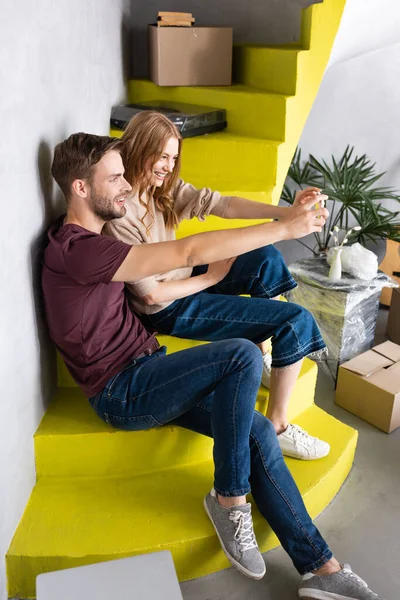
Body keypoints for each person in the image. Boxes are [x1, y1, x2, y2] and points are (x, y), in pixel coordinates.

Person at [41, 132, 382, 600]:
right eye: (116, 178)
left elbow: (189, 242)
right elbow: (186, 253)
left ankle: (321, 568)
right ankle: (228, 499)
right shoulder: (79, 250)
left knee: (259, 431)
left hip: (149, 368)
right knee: (241, 353)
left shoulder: (87, 235)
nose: (126, 187)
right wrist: (285, 228)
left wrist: (279, 219)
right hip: (120, 392)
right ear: (80, 188)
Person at [104, 111, 330, 461]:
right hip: (169, 306)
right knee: (293, 320)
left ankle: (265, 355)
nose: (168, 166)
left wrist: (286, 213)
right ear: (137, 148)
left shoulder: (160, 189)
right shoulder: (120, 212)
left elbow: (223, 204)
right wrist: (208, 279)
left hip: (185, 277)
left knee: (264, 256)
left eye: (173, 157)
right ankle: (278, 426)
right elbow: (149, 294)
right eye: (161, 156)